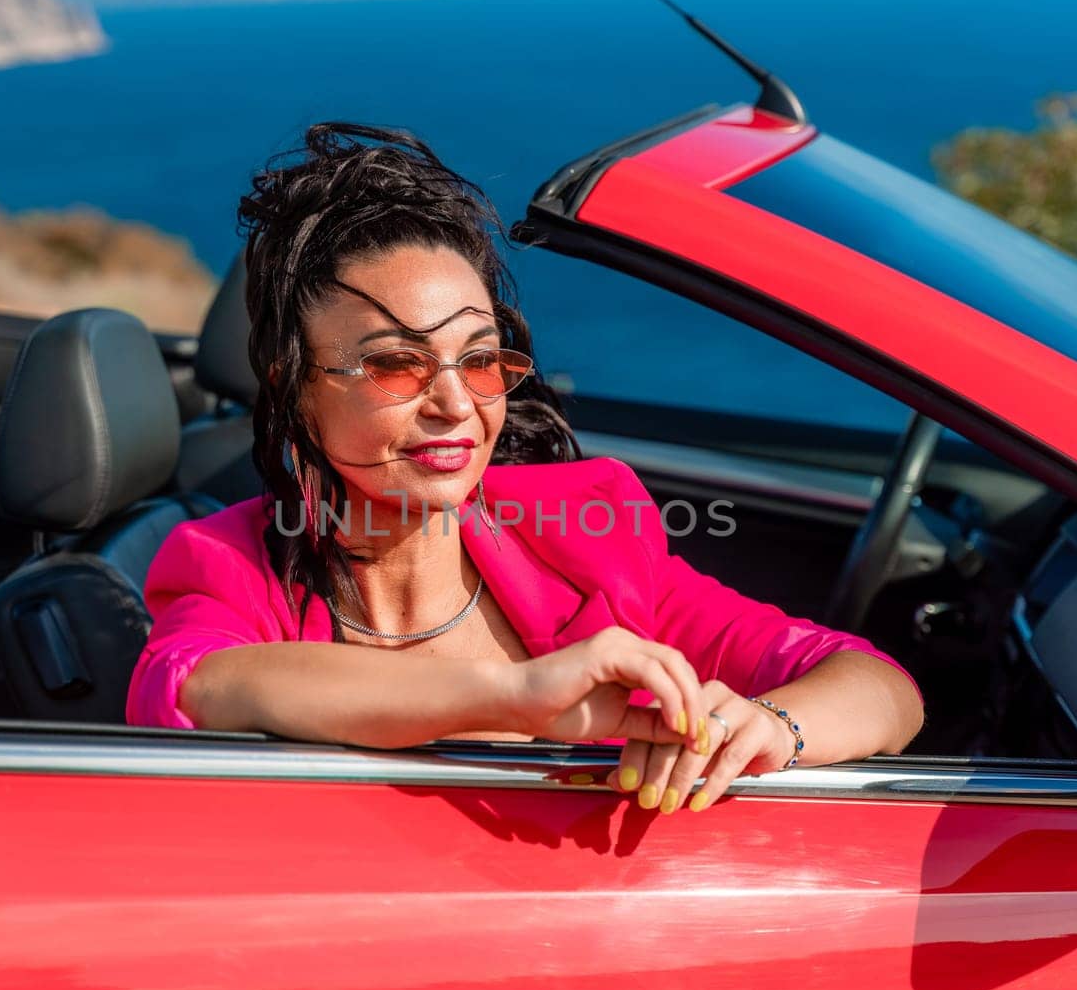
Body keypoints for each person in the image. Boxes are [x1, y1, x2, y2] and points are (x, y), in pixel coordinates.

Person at [127, 122, 922, 813]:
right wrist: (518, 698)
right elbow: (194, 686)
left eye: (478, 361)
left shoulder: (587, 540)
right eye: (396, 364)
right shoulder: (227, 563)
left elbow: (879, 685)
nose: (454, 404)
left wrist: (765, 730)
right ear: (295, 387)